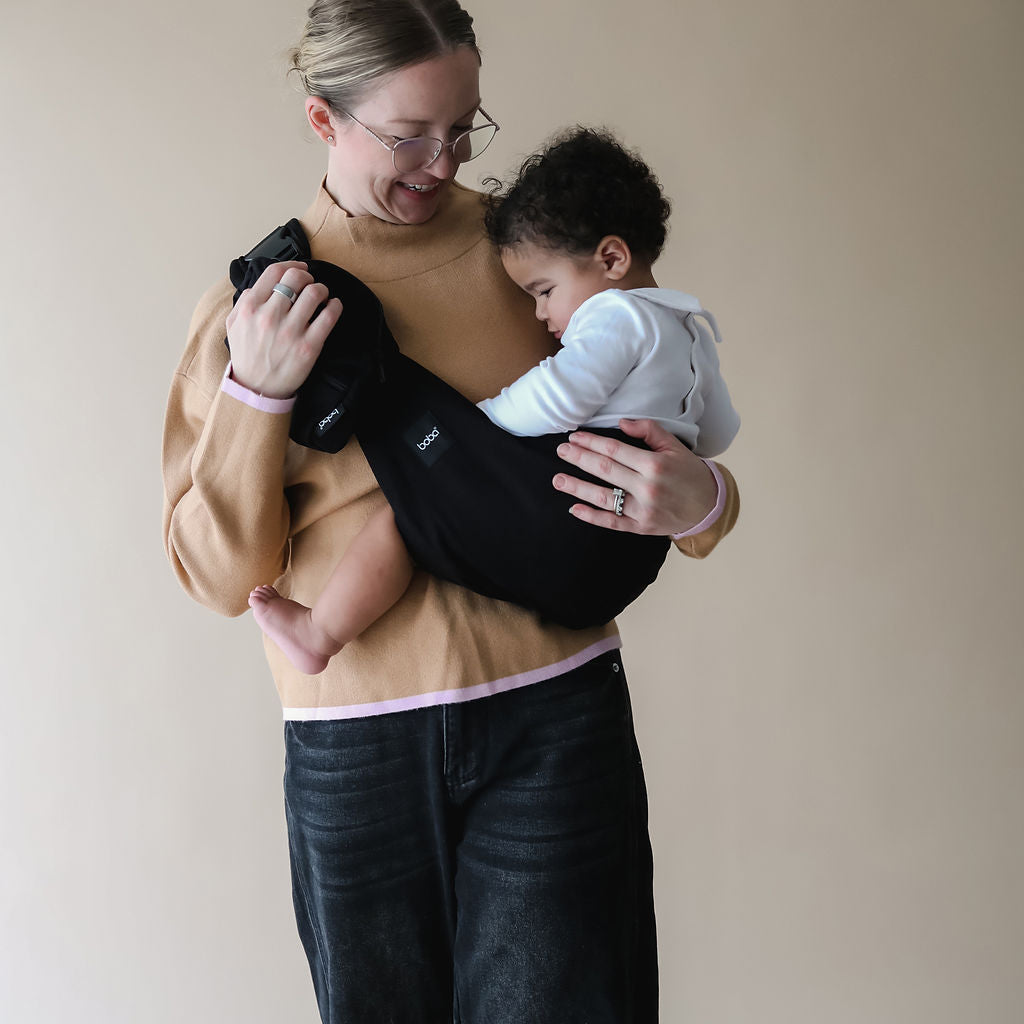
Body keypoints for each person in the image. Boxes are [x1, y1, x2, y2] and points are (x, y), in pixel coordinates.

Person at [161, 1, 740, 1021]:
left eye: (464, 127)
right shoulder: (252, 308)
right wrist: (255, 393)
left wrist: (708, 501)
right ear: (323, 119)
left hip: (554, 723)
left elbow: (668, 406)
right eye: (409, 135)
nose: (444, 161)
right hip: (357, 749)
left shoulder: (533, 254)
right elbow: (216, 577)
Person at [247, 126, 740, 676]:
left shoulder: (617, 314)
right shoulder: (690, 326)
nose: (541, 314)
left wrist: (475, 428)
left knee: (409, 518)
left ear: (611, 258)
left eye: (545, 291)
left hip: (566, 505)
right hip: (628, 555)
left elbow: (561, 393)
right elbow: (718, 432)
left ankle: (320, 632)